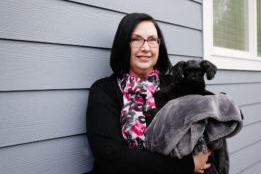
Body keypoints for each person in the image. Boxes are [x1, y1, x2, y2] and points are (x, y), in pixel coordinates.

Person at [86, 13, 212, 174]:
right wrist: (186, 166)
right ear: (123, 44)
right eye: (136, 39)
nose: (145, 48)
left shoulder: (175, 85)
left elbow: (205, 110)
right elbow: (111, 157)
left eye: (152, 39)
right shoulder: (104, 90)